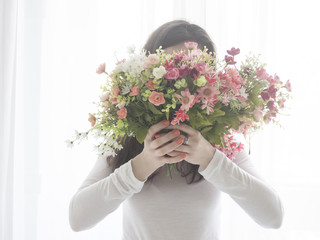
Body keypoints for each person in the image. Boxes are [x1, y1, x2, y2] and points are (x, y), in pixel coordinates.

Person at [69, 20, 284, 240]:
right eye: (171, 70)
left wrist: (210, 160)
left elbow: (273, 216)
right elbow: (78, 219)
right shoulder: (128, 140)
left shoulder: (220, 141)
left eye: (193, 71)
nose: (180, 81)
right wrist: (142, 165)